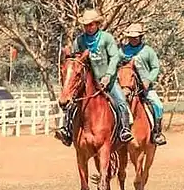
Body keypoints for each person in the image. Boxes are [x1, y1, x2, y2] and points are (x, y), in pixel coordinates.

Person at [55, 9, 134, 146]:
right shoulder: (79, 40)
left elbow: (115, 57)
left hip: (107, 81)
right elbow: (74, 61)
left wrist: (109, 76)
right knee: (71, 104)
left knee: (121, 101)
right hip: (86, 83)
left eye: (91, 24)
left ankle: (124, 130)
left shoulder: (106, 38)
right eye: (86, 25)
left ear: (97, 24)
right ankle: (67, 130)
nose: (89, 27)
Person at [119, 23, 167, 145]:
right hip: (124, 87)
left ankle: (156, 133)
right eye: (131, 37)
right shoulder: (122, 51)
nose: (133, 39)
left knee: (158, 105)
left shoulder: (148, 51)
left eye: (136, 37)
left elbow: (155, 67)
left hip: (145, 88)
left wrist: (148, 80)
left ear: (141, 37)